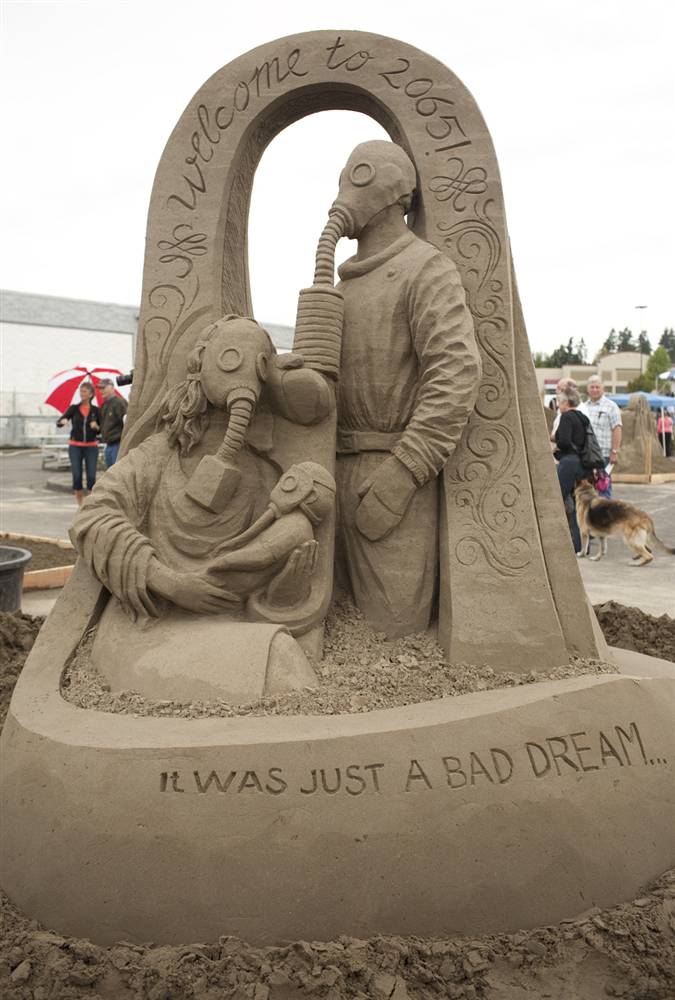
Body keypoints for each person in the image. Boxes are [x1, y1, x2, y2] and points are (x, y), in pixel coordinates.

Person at [328, 140, 481, 637]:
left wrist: (405, 470)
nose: (345, 190)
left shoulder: (424, 269)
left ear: (397, 192)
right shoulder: (341, 287)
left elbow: (455, 372)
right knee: (337, 622)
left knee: (393, 629)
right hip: (333, 472)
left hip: (392, 474)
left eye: (360, 175)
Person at [553, 384, 588, 554]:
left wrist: (556, 445)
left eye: (560, 402)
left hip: (568, 463)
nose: (558, 406)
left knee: (557, 499)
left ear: (566, 402)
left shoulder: (566, 417)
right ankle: (581, 544)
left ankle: (562, 541)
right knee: (577, 504)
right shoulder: (582, 417)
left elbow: (565, 441)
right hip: (582, 463)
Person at [56, 382, 101, 505]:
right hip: (75, 447)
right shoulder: (74, 408)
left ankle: (89, 505)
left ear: (91, 394)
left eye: (84, 391)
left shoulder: (96, 411)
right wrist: (62, 421)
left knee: (91, 477)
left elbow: (101, 430)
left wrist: (96, 427)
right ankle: (80, 505)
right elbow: (59, 422)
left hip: (91, 447)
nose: (82, 393)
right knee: (77, 476)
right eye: (80, 391)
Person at [579, 376, 622, 496]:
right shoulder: (583, 407)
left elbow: (617, 429)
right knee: (586, 490)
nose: (595, 390)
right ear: (587, 389)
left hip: (603, 456)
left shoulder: (611, 406)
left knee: (603, 488)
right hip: (586, 455)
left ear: (603, 388)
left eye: (597, 387)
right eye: (592, 387)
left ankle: (605, 509)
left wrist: (614, 451)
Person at [98, 378, 128, 467]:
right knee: (110, 472)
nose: (101, 390)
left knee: (117, 471)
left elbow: (127, 422)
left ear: (112, 388)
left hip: (118, 444)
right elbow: (103, 425)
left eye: (103, 387)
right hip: (108, 444)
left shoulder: (119, 402)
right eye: (99, 388)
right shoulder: (104, 405)